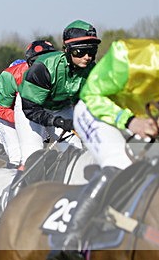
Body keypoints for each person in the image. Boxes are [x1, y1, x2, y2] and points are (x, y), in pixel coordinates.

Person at [47, 39, 159, 260]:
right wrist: (129, 121)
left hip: (139, 116)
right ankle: (71, 236)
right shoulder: (129, 57)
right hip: (95, 111)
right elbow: (91, 96)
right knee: (120, 162)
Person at [15, 20, 100, 165]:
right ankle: (19, 179)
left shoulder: (92, 70)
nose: (87, 57)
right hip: (32, 107)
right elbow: (31, 109)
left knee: (76, 152)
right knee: (33, 155)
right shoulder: (43, 68)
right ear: (67, 50)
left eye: (92, 51)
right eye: (80, 51)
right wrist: (57, 121)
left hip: (61, 106)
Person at [0, 40, 57, 166]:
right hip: (10, 119)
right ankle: (16, 173)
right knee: (19, 157)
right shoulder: (10, 76)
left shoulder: (59, 72)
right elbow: (1, 109)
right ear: (29, 63)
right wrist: (26, 121)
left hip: (41, 112)